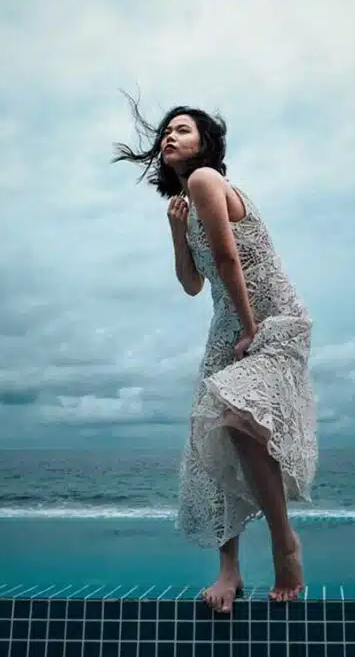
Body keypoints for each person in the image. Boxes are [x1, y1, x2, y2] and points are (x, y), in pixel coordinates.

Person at [112, 97, 318, 613]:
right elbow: (191, 282)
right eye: (165, 133)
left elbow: (230, 260)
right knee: (218, 440)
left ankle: (284, 545)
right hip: (227, 327)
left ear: (205, 144)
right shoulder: (185, 202)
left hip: (268, 319)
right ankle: (229, 569)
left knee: (237, 418)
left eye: (182, 130)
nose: (169, 137)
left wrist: (251, 331)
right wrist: (176, 234)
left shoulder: (206, 179)